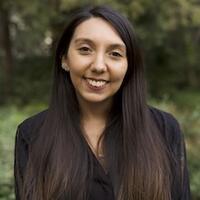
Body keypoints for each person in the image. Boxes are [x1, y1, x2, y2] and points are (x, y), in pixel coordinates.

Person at [14, 5, 191, 200]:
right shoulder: (32, 134)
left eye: (115, 54)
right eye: (85, 49)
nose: (98, 66)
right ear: (64, 59)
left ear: (128, 66)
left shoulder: (164, 129)